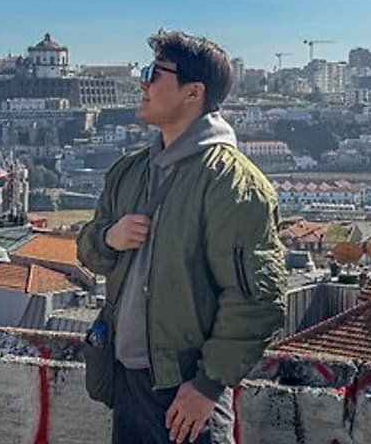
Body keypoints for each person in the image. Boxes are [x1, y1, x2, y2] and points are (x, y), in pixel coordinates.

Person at [77, 30, 287, 444]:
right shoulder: (129, 172)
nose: (142, 84)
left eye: (154, 74)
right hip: (126, 382)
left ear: (194, 92)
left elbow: (257, 300)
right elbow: (90, 254)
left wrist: (208, 386)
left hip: (186, 393)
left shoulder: (233, 185)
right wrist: (109, 238)